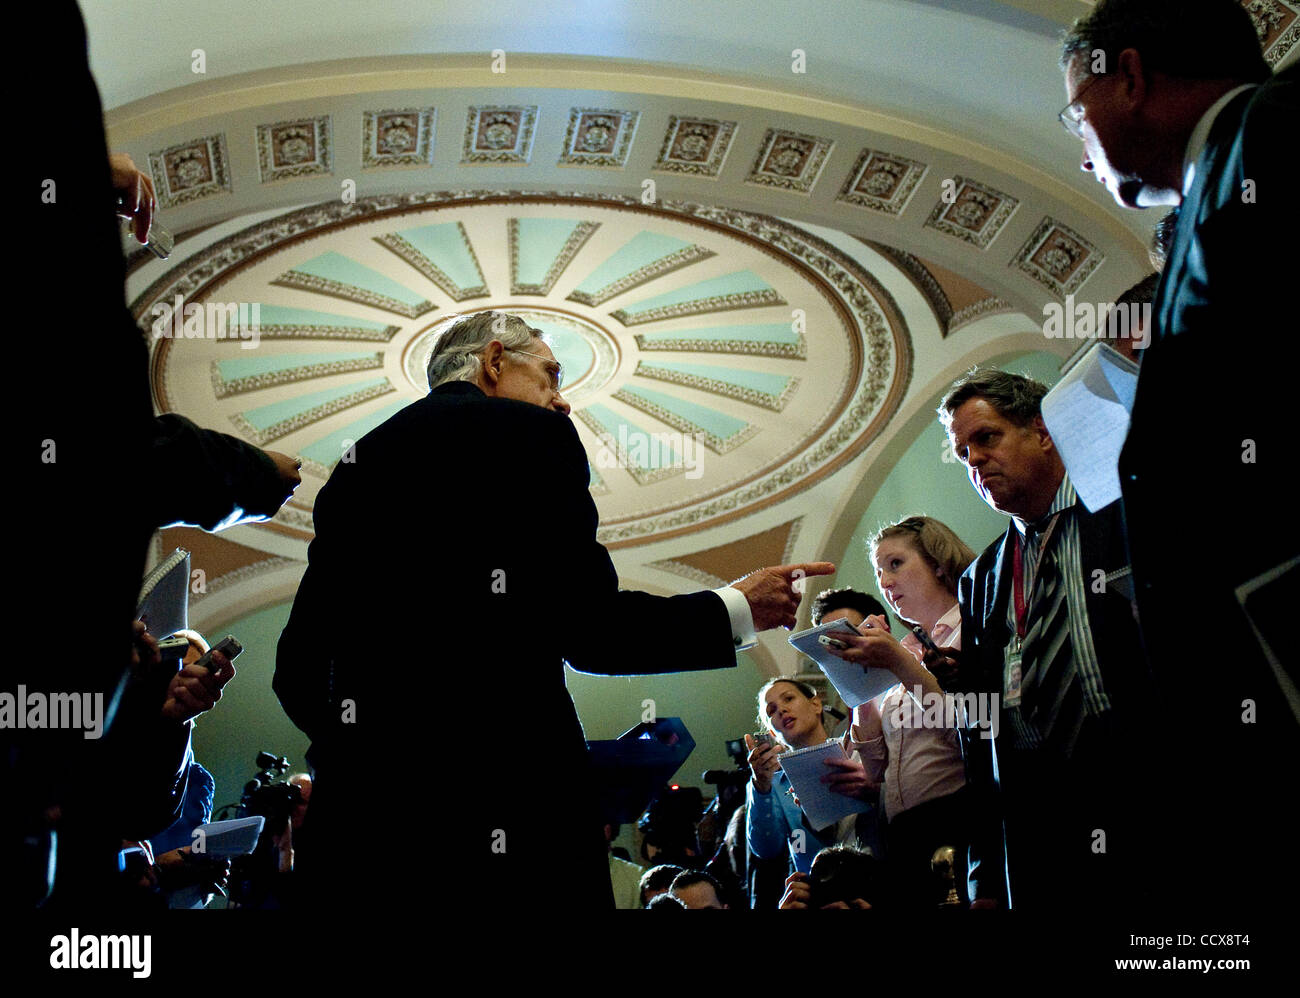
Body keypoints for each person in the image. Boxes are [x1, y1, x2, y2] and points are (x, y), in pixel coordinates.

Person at [273, 310, 833, 912]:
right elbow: (591, 631)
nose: (562, 403)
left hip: (363, 842)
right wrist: (734, 608)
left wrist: (370, 758)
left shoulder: (356, 468)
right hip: (518, 826)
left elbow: (297, 670)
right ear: (492, 363)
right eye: (550, 375)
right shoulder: (531, 437)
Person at [1059, 0, 1299, 909]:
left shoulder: (1269, 129)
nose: (1083, 150)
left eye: (1075, 110)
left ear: (1130, 75)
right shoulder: (1225, 170)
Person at [934, 367, 1156, 910]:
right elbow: (980, 733)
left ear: (1042, 431)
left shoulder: (1124, 504)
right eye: (964, 456)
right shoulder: (981, 578)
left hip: (1144, 784)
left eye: (987, 438)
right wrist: (984, 869)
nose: (976, 462)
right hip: (1041, 823)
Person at [821, 520, 976, 908]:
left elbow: (966, 730)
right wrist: (859, 684)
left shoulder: (973, 628)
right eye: (878, 571)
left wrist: (897, 662)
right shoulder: (899, 647)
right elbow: (875, 770)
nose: (884, 581)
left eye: (895, 564)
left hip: (960, 816)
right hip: (901, 831)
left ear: (938, 564)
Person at [743, 676, 870, 896]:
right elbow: (766, 848)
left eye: (789, 698)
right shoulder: (771, 782)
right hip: (816, 891)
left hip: (871, 880)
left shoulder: (858, 752)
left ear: (816, 704)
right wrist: (760, 787)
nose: (781, 710)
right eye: (771, 711)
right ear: (772, 733)